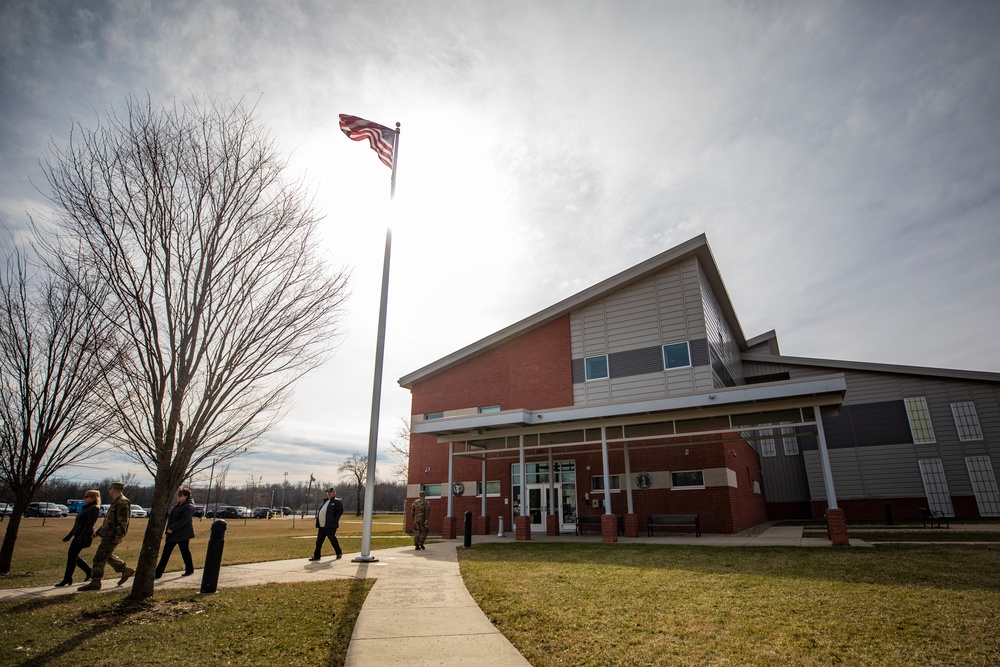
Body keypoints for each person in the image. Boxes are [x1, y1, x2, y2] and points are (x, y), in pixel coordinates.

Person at [78, 481, 133, 591]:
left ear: (114, 489)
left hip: (112, 535)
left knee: (99, 558)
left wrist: (119, 535)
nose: (109, 490)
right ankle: (125, 570)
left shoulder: (122, 502)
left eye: (110, 488)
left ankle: (96, 581)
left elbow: (123, 521)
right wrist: (98, 532)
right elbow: (109, 521)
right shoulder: (116, 502)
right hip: (107, 533)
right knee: (107, 555)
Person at [55, 489, 100, 587]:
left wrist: (81, 538)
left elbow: (89, 524)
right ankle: (88, 571)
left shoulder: (94, 508)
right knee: (73, 556)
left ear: (93, 498)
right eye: (85, 496)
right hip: (78, 535)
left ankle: (67, 578)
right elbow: (77, 525)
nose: (84, 498)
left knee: (71, 556)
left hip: (83, 537)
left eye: (87, 497)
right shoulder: (85, 508)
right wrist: (69, 536)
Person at [155, 487, 196, 579]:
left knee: (184, 552)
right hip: (173, 534)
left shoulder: (189, 506)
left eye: (180, 495)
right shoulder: (178, 505)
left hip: (182, 534)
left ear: (186, 496)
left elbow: (184, 520)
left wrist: (172, 528)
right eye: (178, 495)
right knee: (167, 552)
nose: (178, 497)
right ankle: (158, 573)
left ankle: (189, 569)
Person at [309, 487, 343, 561]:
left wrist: (335, 520)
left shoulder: (337, 502)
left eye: (330, 493)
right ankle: (317, 555)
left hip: (330, 526)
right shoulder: (326, 502)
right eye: (328, 493)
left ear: (334, 493)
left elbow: (339, 511)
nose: (329, 494)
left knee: (332, 540)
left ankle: (338, 552)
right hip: (322, 526)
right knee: (319, 541)